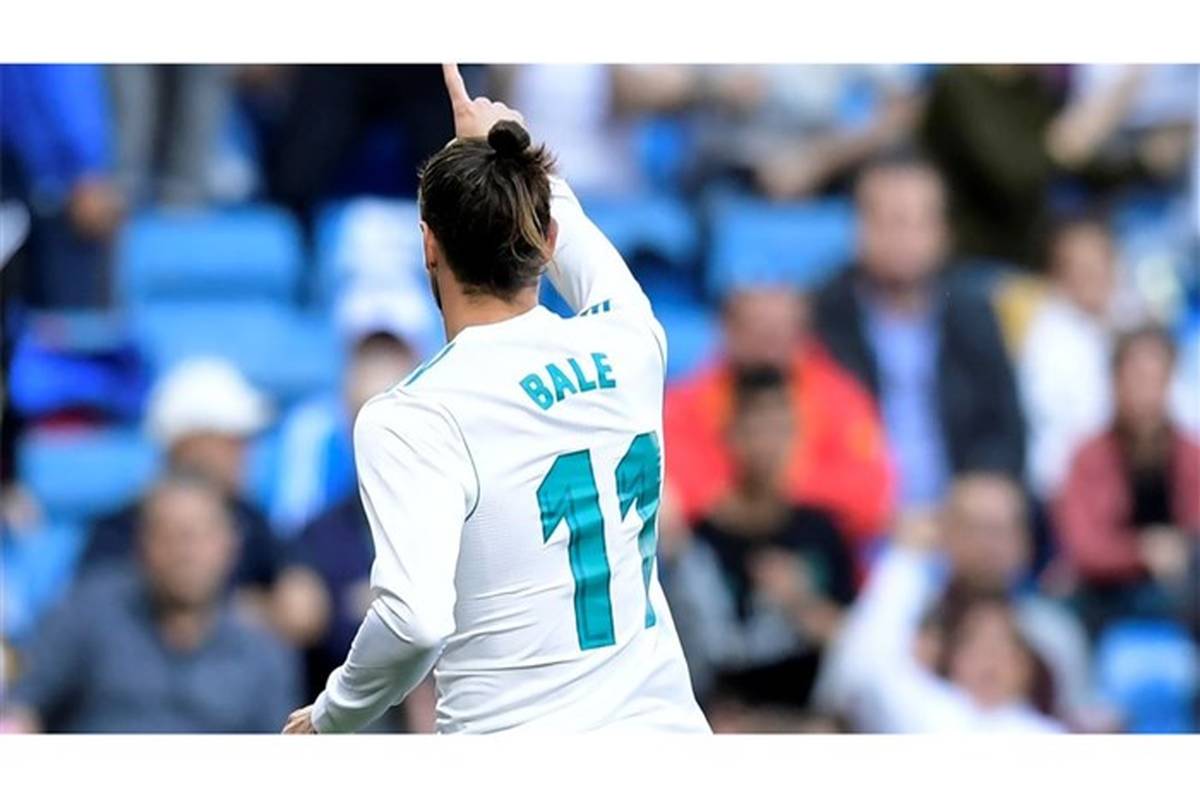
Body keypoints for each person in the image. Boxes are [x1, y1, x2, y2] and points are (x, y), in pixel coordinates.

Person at [281, 66, 709, 735]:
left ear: (429, 244)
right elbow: (585, 252)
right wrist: (514, 146)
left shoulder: (411, 416)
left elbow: (414, 620)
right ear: (546, 239)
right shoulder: (631, 344)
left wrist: (333, 715)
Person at [0, 473, 300, 732]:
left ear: (230, 545)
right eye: (169, 535)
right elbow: (22, 709)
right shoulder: (87, 614)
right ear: (141, 543)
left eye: (199, 535)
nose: (185, 552)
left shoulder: (263, 651)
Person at [813, 153, 1026, 510]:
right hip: (857, 515)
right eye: (891, 221)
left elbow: (1004, 431)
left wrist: (972, 495)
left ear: (944, 232)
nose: (904, 238)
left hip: (958, 513)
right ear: (859, 229)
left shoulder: (972, 311)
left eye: (919, 222)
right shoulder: (823, 316)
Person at [667, 365, 856, 710]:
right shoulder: (697, 543)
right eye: (758, 427)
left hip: (810, 718)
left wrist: (801, 602)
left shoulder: (823, 531)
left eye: (781, 428)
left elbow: (860, 643)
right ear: (730, 434)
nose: (770, 444)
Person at [665, 287, 893, 544]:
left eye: (781, 333)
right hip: (714, 548)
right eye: (757, 331)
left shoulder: (842, 399)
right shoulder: (686, 404)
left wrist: (777, 487)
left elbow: (870, 497)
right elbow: (674, 490)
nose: (769, 349)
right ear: (727, 330)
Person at [814, 509, 1064, 734]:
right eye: (976, 647)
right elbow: (863, 668)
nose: (990, 661)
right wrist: (906, 559)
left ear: (1025, 667)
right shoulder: (925, 711)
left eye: (1003, 649)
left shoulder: (1048, 736)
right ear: (951, 658)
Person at [1054, 326, 1200, 636]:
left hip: (1178, 596)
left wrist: (1178, 551)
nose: (1147, 392)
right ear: (1115, 381)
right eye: (1137, 378)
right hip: (1103, 597)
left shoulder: (1191, 454)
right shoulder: (1088, 456)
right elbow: (1084, 548)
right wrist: (1143, 551)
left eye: (1157, 379)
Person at [1019, 216, 1144, 500]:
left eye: (1101, 264)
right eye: (1082, 268)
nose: (1095, 276)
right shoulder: (1045, 343)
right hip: (1074, 489)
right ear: (1058, 276)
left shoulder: (1136, 318)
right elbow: (1068, 434)